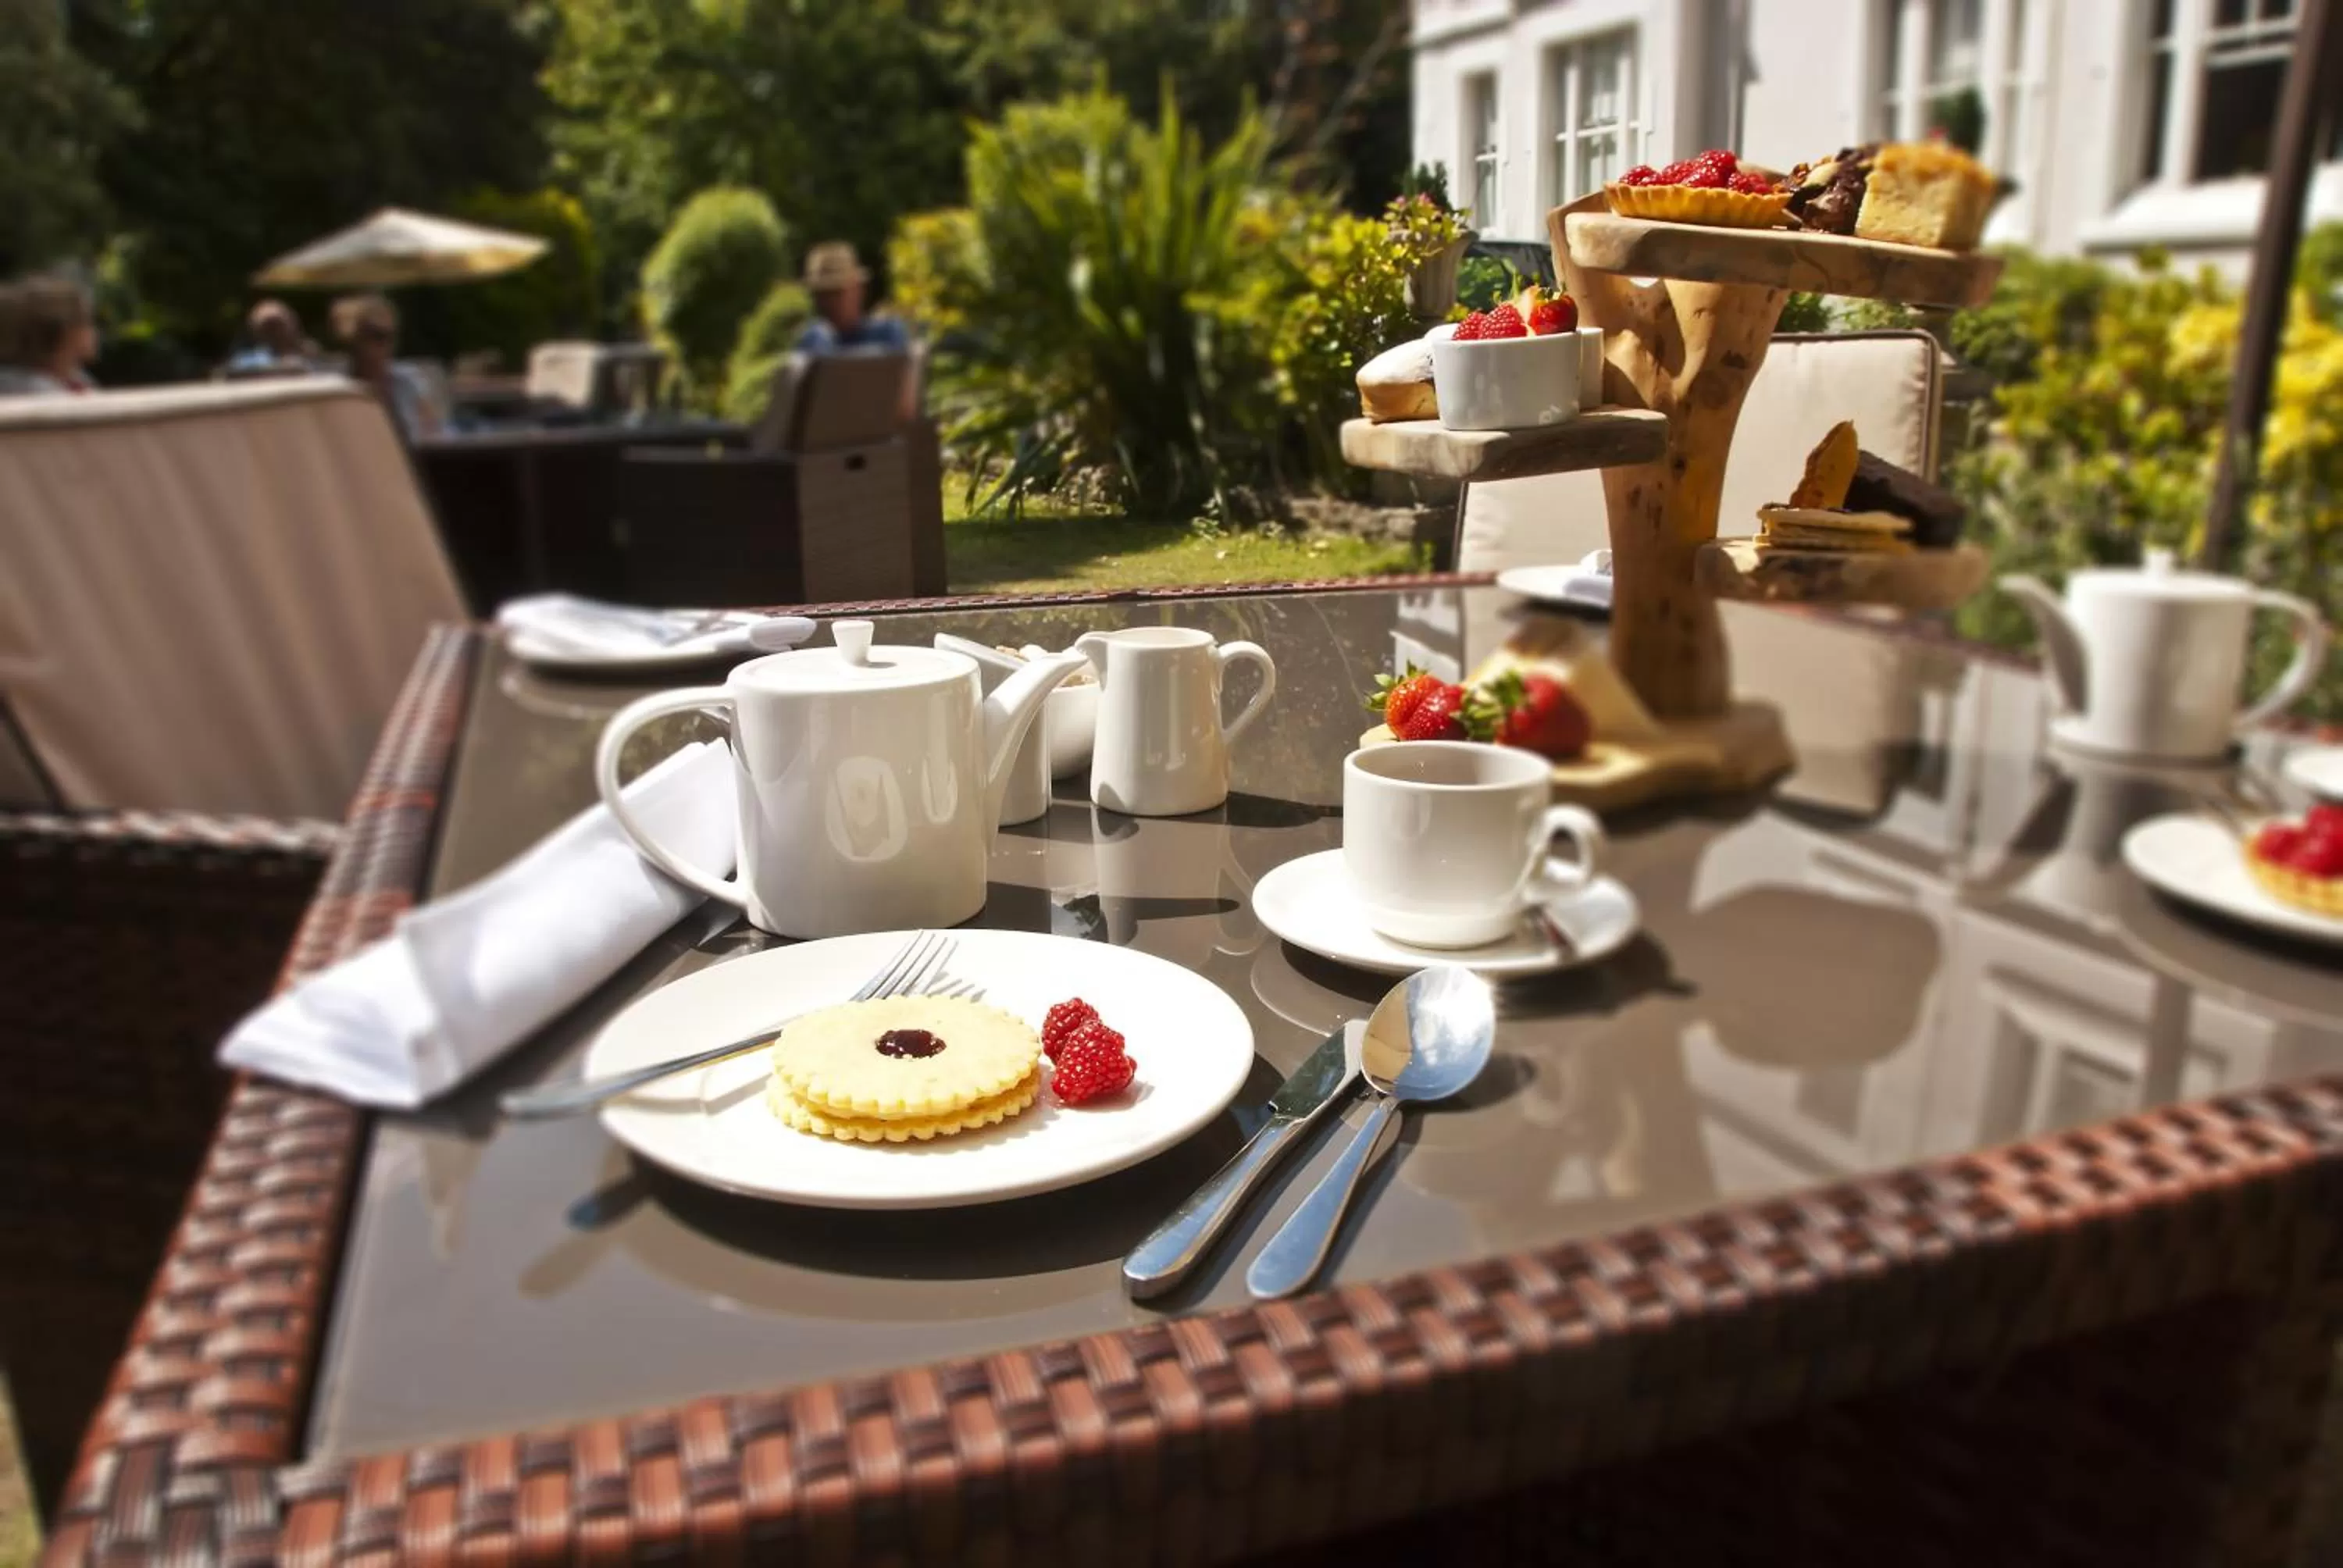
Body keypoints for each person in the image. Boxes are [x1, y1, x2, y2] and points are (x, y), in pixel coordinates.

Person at [330, 292, 443, 440]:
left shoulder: (407, 381)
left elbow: (433, 431)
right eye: (376, 335)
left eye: (391, 336)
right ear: (352, 337)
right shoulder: (337, 388)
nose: (386, 344)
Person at [793, 242, 911, 355]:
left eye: (836, 293)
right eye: (821, 295)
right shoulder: (812, 339)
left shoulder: (886, 333)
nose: (829, 303)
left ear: (858, 290)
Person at [0, 274, 101, 396]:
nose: (94, 330)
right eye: (85, 320)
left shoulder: (76, 378)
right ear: (65, 331)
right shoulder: (29, 390)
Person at [223, 298, 320, 377]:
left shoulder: (311, 354)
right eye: (268, 326)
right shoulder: (247, 361)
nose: (275, 331)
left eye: (278, 324)